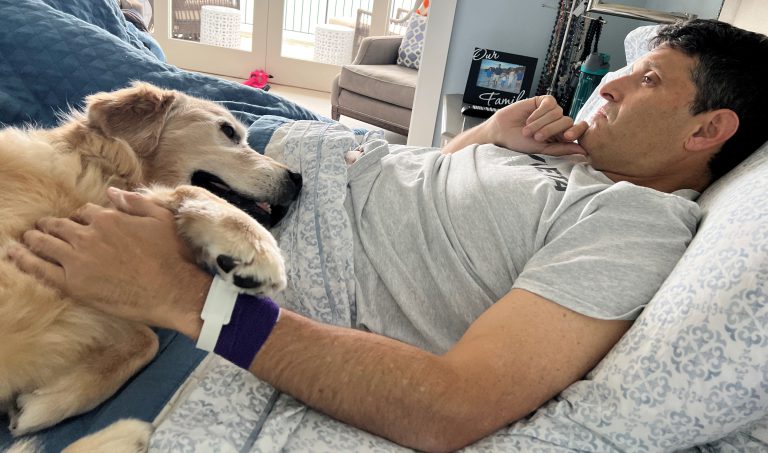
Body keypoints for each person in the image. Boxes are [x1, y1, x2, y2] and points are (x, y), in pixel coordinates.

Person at [7, 19, 768, 451]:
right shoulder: (574, 167)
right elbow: (427, 206)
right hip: (264, 144)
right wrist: (486, 141)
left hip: (241, 203)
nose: (609, 82)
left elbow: (454, 403)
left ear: (710, 129)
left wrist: (184, 298)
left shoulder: (637, 223)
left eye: (650, 80)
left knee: (25, 30)